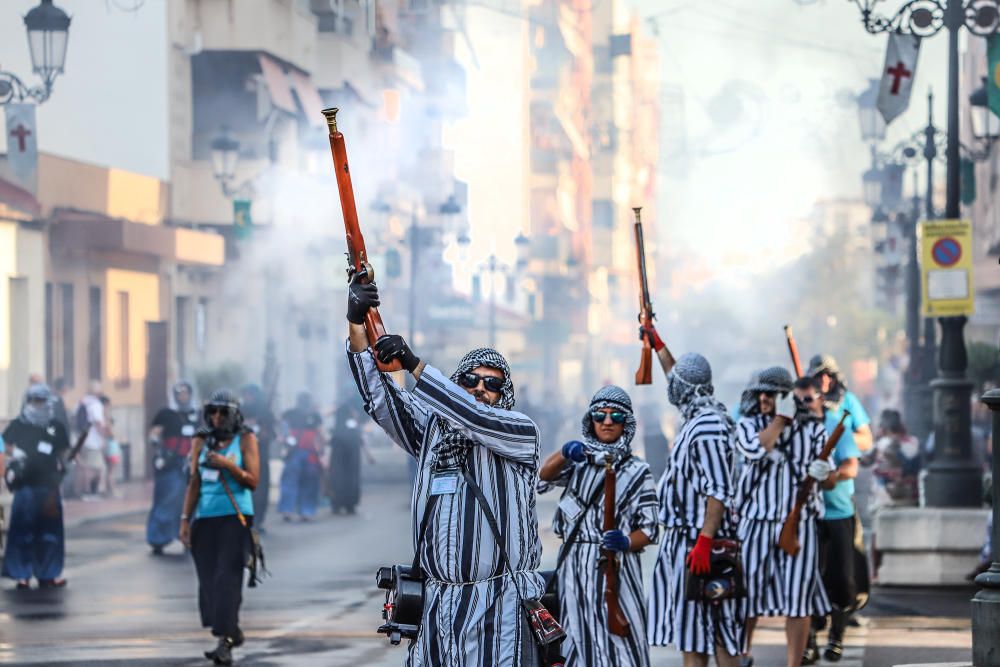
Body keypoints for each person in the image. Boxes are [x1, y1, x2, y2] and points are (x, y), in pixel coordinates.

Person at [345, 271, 543, 666]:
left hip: (498, 603)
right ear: (457, 381)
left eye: (492, 384)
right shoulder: (433, 431)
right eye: (470, 380)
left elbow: (474, 417)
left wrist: (414, 365)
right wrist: (357, 323)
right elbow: (381, 400)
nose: (481, 388)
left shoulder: (520, 432)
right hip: (437, 602)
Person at [538, 385, 659, 667]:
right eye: (599, 415)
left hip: (615, 570)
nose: (606, 421)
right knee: (576, 644)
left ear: (626, 423)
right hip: (574, 570)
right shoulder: (578, 461)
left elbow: (651, 529)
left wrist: (627, 541)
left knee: (623, 647)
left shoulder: (638, 471)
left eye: (615, 416)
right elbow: (542, 478)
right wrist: (566, 452)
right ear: (590, 420)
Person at [647, 351, 743, 667]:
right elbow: (678, 376)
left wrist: (704, 540)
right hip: (691, 543)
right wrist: (658, 343)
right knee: (696, 637)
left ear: (686, 388)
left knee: (717, 638)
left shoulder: (707, 426)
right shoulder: (701, 416)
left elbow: (718, 489)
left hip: (701, 546)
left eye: (675, 383)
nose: (670, 387)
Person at [734, 369, 831, 667]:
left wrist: (824, 474)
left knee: (799, 600)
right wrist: (780, 420)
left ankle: (793, 663)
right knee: (746, 595)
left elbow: (830, 480)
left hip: (799, 524)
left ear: (787, 397)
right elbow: (755, 450)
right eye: (761, 392)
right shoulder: (748, 425)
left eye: (772, 393)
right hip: (756, 522)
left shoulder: (815, 430)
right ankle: (742, 655)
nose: (763, 398)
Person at [179, 389, 259, 666]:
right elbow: (194, 482)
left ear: (234, 414)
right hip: (205, 519)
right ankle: (231, 630)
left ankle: (225, 640)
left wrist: (228, 465)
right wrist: (185, 520)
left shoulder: (246, 439)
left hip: (235, 519)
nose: (216, 417)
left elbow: (253, 481)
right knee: (209, 582)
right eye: (212, 411)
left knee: (227, 579)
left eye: (223, 412)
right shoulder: (200, 441)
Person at [801, 373, 863, 665]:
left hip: (837, 512)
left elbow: (851, 467)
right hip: (804, 515)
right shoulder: (792, 429)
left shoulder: (837, 427)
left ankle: (836, 636)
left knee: (841, 579)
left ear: (820, 397)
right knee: (807, 580)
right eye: (798, 399)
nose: (803, 404)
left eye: (808, 398)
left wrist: (831, 476)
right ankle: (809, 640)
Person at [2, 384, 71, 589]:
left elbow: (64, 452)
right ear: (28, 402)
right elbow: (1, 443)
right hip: (25, 486)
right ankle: (21, 574)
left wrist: (68, 463)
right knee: (22, 531)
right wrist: (13, 453)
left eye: (42, 401)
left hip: (49, 486)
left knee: (50, 532)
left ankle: (49, 573)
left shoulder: (56, 426)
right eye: (35, 401)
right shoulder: (18, 425)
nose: (39, 405)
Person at [146, 381, 200, 554]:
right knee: (167, 497)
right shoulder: (166, 413)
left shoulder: (197, 414)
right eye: (180, 393)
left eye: (186, 393)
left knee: (191, 500)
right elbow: (154, 433)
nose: (183, 396)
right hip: (171, 461)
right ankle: (158, 539)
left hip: (191, 461)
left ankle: (188, 536)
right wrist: (160, 451)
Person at [807, 355, 872, 454]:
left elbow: (866, 441)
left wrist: (837, 438)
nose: (825, 380)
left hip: (841, 467)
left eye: (829, 375)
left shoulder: (848, 401)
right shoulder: (803, 402)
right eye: (820, 375)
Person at [277, 392, 324, 522]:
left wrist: (321, 453)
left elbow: (319, 435)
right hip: (296, 453)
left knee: (306, 482)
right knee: (291, 481)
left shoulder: (314, 416)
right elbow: (282, 430)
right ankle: (293, 511)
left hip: (309, 454)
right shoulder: (290, 414)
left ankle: (302, 511)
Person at [241, 384, 276, 532]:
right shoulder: (239, 411)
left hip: (260, 457)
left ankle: (258, 520)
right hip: (243, 457)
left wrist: (262, 430)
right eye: (246, 394)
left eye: (251, 395)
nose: (248, 398)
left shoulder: (265, 413)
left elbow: (271, 434)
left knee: (260, 491)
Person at [328, 403, 372, 514]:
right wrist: (368, 455)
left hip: (341, 455)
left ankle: (338, 504)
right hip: (351, 455)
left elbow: (332, 442)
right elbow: (359, 438)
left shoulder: (339, 426)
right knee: (350, 478)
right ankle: (349, 505)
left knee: (339, 477)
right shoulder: (352, 424)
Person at [75, 381, 109, 498]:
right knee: (97, 468)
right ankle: (89, 492)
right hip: (93, 441)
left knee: (84, 466)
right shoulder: (96, 405)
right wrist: (104, 438)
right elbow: (99, 423)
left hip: (81, 439)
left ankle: (82, 491)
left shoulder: (81, 402)